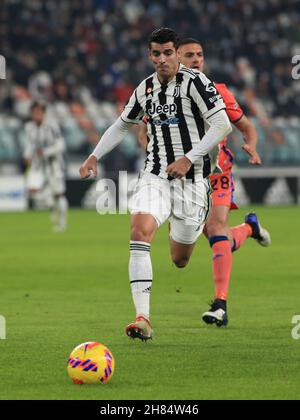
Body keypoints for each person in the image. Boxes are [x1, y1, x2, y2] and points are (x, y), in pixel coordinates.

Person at [79, 28, 232, 340]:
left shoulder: (196, 83)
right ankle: (143, 318)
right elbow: (122, 125)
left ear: (176, 53)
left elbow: (222, 124)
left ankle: (188, 232)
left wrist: (190, 157)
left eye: (167, 53)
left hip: (192, 182)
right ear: (150, 56)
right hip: (155, 176)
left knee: (180, 259)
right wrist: (94, 155)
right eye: (156, 54)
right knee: (139, 231)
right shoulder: (146, 89)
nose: (162, 59)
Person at [139, 38, 271, 327]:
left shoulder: (219, 92)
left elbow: (247, 127)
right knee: (189, 253)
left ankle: (220, 305)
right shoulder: (159, 92)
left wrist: (252, 144)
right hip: (180, 178)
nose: (196, 59)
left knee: (215, 228)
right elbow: (144, 132)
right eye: (190, 55)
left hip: (216, 172)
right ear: (175, 59)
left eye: (200, 54)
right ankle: (248, 229)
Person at [23, 101, 68, 232]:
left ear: (43, 113)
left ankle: (63, 224)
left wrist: (46, 152)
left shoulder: (51, 127)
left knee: (59, 193)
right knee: (45, 196)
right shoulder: (29, 127)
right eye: (34, 112)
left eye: (39, 112)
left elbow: (61, 145)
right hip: (39, 167)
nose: (37, 115)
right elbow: (29, 145)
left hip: (54, 165)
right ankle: (53, 211)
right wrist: (27, 156)